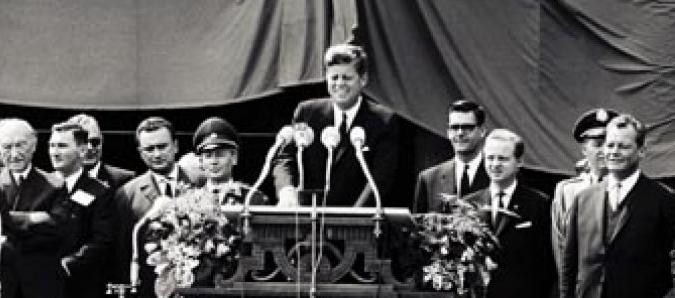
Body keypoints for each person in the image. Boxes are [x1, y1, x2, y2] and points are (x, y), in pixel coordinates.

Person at [561, 114, 675, 298]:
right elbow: (569, 263)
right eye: (610, 145)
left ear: (642, 151)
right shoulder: (583, 199)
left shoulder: (663, 200)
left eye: (623, 146)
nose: (614, 152)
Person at [273, 43, 399, 207]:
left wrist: (352, 218)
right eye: (334, 77)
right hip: (306, 219)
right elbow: (285, 158)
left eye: (346, 78)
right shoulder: (307, 112)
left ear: (363, 79)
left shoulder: (383, 120)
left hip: (356, 222)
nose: (339, 84)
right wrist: (286, 190)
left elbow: (380, 178)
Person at [113, 116, 203, 297]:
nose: (156, 154)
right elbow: (122, 254)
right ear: (140, 152)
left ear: (176, 146)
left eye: (162, 146)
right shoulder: (127, 195)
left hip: (196, 289)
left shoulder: (200, 184)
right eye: (149, 149)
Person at [464, 129, 555, 298]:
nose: (495, 164)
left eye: (503, 158)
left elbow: (547, 263)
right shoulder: (468, 204)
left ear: (519, 161)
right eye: (490, 158)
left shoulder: (539, 204)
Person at [0, 118, 69, 298]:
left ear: (33, 146)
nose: (14, 154)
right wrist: (36, 218)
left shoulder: (55, 185)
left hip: (41, 284)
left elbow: (58, 229)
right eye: (7, 147)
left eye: (20, 145)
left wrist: (6, 220)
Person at [48, 122, 115, 298]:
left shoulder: (99, 191)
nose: (55, 152)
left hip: (81, 286)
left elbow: (102, 240)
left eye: (62, 146)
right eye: (52, 146)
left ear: (83, 150)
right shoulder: (39, 187)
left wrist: (68, 264)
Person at [551, 109, 617, 280]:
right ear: (584, 149)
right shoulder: (567, 192)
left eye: (609, 143)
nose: (604, 150)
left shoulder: (633, 189)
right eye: (597, 144)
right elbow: (561, 248)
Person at [413, 99, 490, 213]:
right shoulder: (428, 179)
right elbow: (419, 227)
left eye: (467, 127)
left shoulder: (498, 175)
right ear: (448, 132)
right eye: (454, 127)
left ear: (482, 131)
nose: (460, 133)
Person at [193, 117, 267, 205]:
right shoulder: (191, 200)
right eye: (208, 156)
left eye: (219, 155)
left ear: (234, 157)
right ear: (201, 161)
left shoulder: (253, 199)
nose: (214, 161)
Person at [68, 113, 136, 190]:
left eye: (95, 141)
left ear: (102, 140)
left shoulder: (123, 180)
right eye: (83, 143)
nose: (90, 148)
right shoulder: (54, 183)